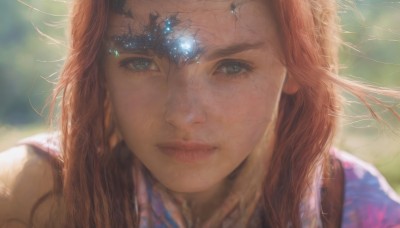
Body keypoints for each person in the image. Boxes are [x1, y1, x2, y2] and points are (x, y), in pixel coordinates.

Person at [1, 0, 399, 227]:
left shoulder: (356, 210)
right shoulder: (31, 197)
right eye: (141, 62)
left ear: (295, 67)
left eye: (232, 67)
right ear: (98, 66)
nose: (183, 115)